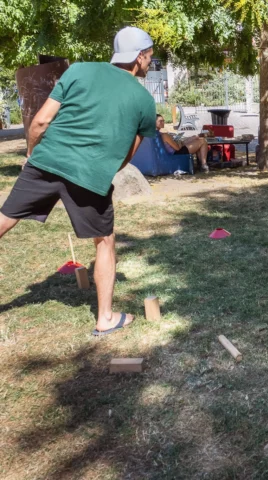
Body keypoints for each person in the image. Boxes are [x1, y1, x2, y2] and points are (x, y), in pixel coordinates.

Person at [0, 27, 158, 336]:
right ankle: (105, 318)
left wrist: (32, 155)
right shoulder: (144, 100)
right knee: (105, 241)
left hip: (46, 162)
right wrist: (100, 169)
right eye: (150, 56)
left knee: (4, 219)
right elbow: (125, 156)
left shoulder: (79, 71)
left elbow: (40, 121)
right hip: (90, 176)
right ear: (139, 57)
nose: (150, 62)